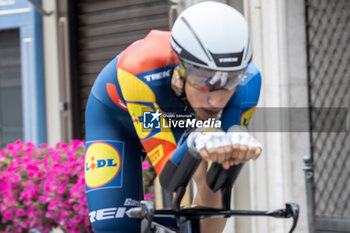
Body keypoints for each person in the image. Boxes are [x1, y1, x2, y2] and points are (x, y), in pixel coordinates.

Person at [84, 1, 262, 233]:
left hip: (184, 120)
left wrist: (233, 152)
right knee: (115, 226)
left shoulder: (249, 81)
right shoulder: (139, 69)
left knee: (209, 196)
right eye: (204, 80)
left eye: (231, 81)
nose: (217, 101)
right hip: (117, 122)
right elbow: (169, 179)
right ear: (180, 68)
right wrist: (196, 140)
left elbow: (216, 189)